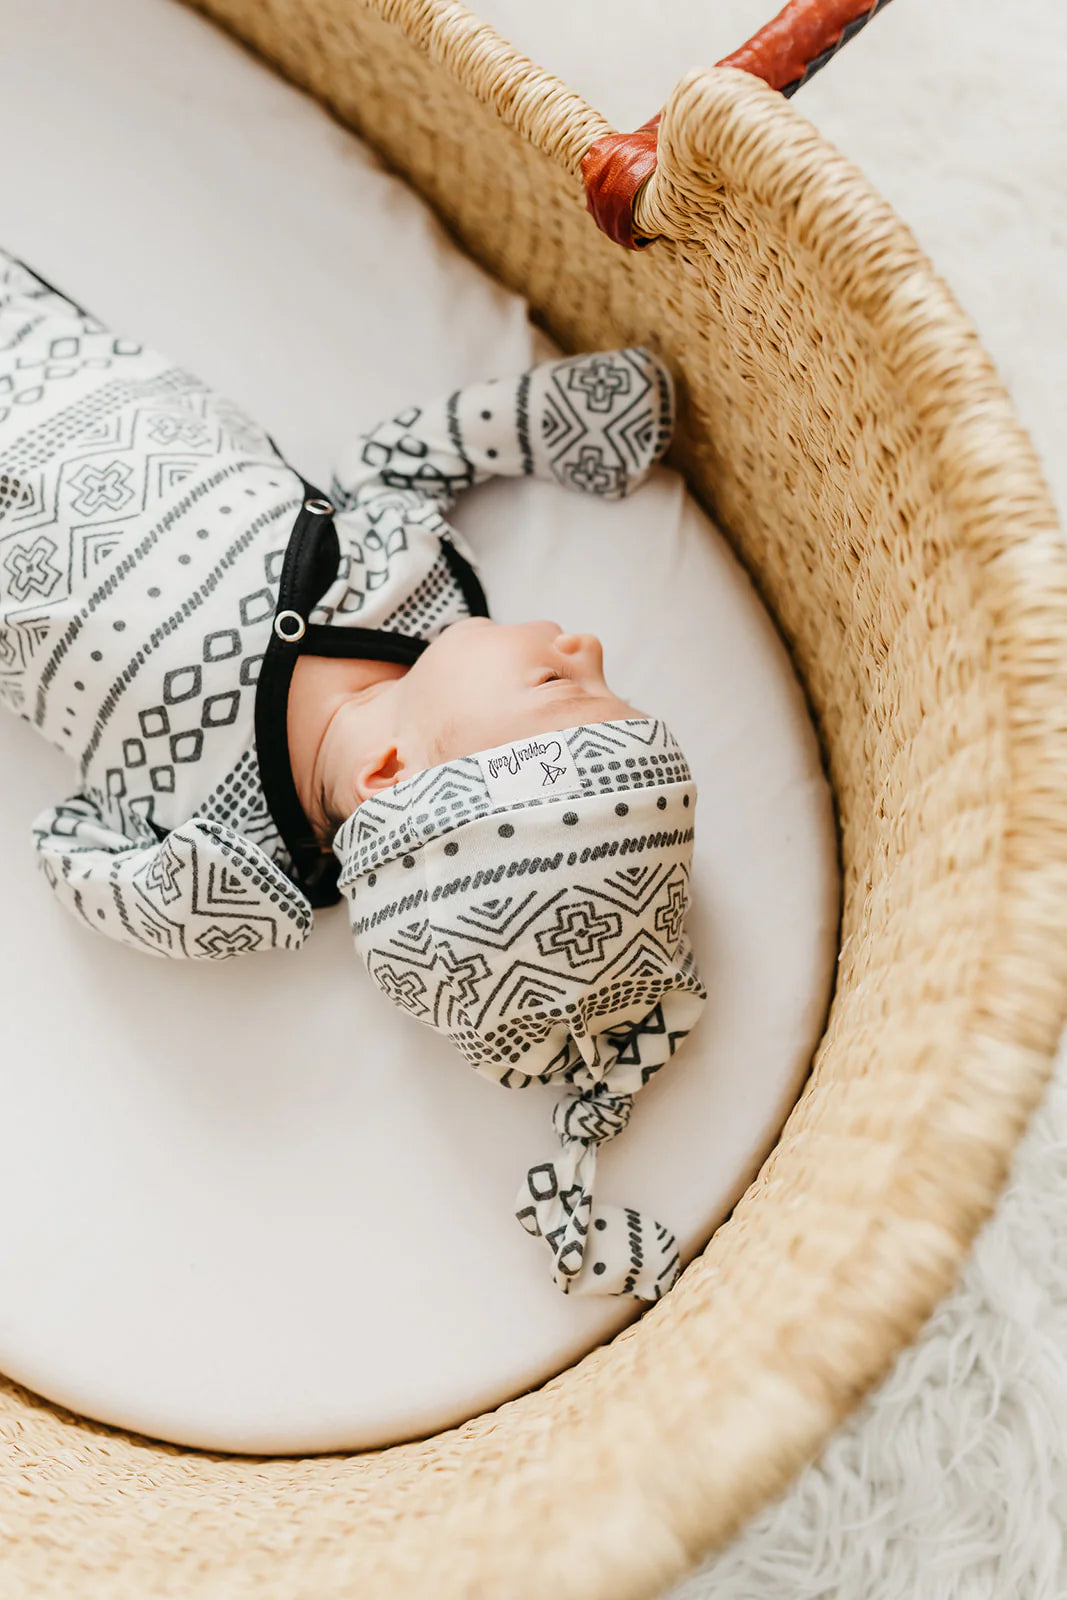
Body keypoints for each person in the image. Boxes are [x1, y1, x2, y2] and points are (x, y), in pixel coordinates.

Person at [0, 249, 706, 1298]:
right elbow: (399, 461)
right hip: (65, 381)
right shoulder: (415, 592)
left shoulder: (238, 866)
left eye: (566, 691)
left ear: (391, 777)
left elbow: (76, 851)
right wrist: (548, 421)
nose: (588, 649)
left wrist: (177, 896)